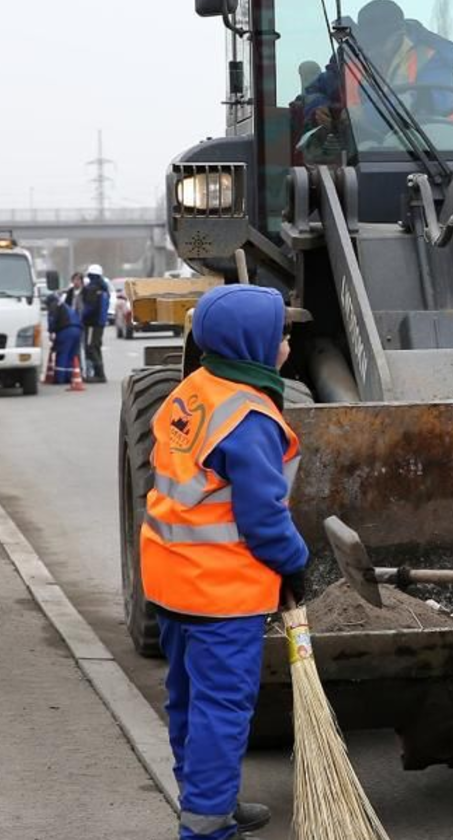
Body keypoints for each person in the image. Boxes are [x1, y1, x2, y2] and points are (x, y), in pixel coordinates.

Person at [141, 284, 307, 840]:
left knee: (187, 699)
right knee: (222, 710)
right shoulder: (251, 418)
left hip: (170, 579)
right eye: (280, 335)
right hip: (220, 593)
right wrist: (294, 560)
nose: (286, 344)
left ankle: (207, 800)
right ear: (252, 343)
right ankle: (208, 826)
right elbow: (263, 516)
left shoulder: (193, 391)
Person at [299, 0, 453, 131]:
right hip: (372, 153)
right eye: (369, 42)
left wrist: (360, 115)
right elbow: (314, 90)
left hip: (442, 146)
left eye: (381, 41)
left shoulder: (431, 57)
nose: (374, 49)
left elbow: (434, 104)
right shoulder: (351, 59)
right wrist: (318, 107)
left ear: (399, 35)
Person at [78, 264, 111, 383]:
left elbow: (89, 308)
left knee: (90, 347)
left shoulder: (92, 288)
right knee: (96, 346)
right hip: (100, 323)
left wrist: (80, 317)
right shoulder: (104, 288)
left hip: (92, 323)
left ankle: (99, 373)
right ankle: (99, 373)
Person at [44, 292, 81, 386]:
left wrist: (51, 331)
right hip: (78, 330)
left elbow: (52, 319)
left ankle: (59, 378)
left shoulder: (54, 305)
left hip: (66, 330)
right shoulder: (65, 305)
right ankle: (69, 377)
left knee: (62, 354)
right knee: (70, 354)